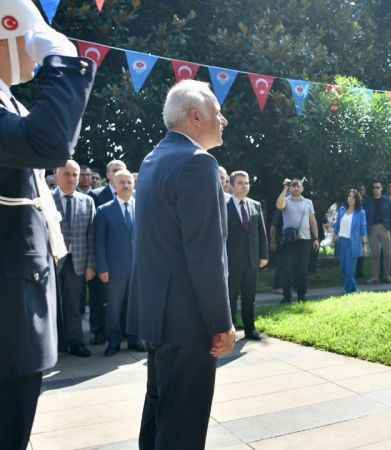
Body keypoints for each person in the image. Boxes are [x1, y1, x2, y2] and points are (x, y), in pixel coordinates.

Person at [0, 3, 94, 447]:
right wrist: (62, 59)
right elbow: (50, 142)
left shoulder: (9, 101)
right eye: (29, 38)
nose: (33, 52)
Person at [128, 80, 235, 450]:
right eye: (217, 112)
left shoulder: (153, 159)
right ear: (195, 116)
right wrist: (221, 323)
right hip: (188, 321)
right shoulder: (198, 163)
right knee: (183, 428)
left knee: (159, 415)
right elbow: (205, 254)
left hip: (159, 316)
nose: (223, 120)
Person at [94, 169, 144, 356]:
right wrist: (102, 268)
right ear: (114, 185)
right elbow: (99, 243)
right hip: (114, 270)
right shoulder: (104, 210)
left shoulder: (141, 208)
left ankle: (135, 340)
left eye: (129, 182)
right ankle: (113, 343)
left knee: (135, 307)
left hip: (137, 269)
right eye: (121, 182)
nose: (126, 185)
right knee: (113, 309)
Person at [53, 160, 96, 357]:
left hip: (77, 261)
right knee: (51, 302)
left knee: (73, 304)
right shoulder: (46, 199)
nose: (71, 178)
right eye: (66, 174)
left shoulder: (87, 201)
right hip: (52, 261)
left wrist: (91, 265)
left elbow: (91, 236)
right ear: (56, 175)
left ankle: (75, 342)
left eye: (74, 174)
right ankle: (55, 344)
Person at [226, 170, 269, 340]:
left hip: (252, 260)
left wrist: (264, 255)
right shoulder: (224, 206)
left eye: (247, 183)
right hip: (231, 261)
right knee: (230, 297)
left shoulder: (255, 205)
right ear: (231, 185)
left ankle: (250, 329)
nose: (244, 186)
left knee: (249, 297)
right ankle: (230, 331)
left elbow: (261, 233)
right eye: (240, 183)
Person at [88, 158, 127, 344]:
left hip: (125, 261)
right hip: (104, 257)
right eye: (114, 170)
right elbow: (94, 232)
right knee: (101, 298)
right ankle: (99, 331)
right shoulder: (96, 196)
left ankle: (125, 331)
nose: (117, 173)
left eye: (121, 169)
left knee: (125, 300)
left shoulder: (134, 198)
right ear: (108, 175)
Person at [276, 178, 319, 303]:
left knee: (303, 269)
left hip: (305, 240)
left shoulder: (308, 202)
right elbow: (279, 205)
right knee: (287, 269)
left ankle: (302, 296)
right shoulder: (286, 200)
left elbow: (312, 220)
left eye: (298, 185)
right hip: (289, 240)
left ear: (302, 188)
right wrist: (285, 188)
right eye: (293, 186)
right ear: (290, 188)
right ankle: (287, 297)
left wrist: (316, 238)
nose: (295, 188)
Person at [334, 189, 368, 293]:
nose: (350, 199)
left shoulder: (360, 213)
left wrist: (365, 245)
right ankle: (355, 289)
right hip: (341, 242)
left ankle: (347, 291)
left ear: (357, 199)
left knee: (349, 270)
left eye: (353, 197)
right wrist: (335, 235)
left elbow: (363, 229)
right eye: (349, 196)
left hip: (352, 243)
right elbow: (337, 224)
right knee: (343, 269)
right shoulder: (342, 210)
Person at [363, 180, 391, 283]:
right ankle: (375, 277)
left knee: (387, 253)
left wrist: (388, 227)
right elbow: (364, 216)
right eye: (374, 187)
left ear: (381, 189)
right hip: (372, 229)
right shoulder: (367, 202)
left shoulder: (387, 201)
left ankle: (387, 276)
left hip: (384, 228)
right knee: (375, 254)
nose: (376, 189)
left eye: (378, 187)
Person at [269, 209, 284, 292]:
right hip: (280, 241)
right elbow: (273, 228)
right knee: (280, 265)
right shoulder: (279, 211)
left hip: (287, 241)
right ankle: (277, 286)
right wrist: (273, 242)